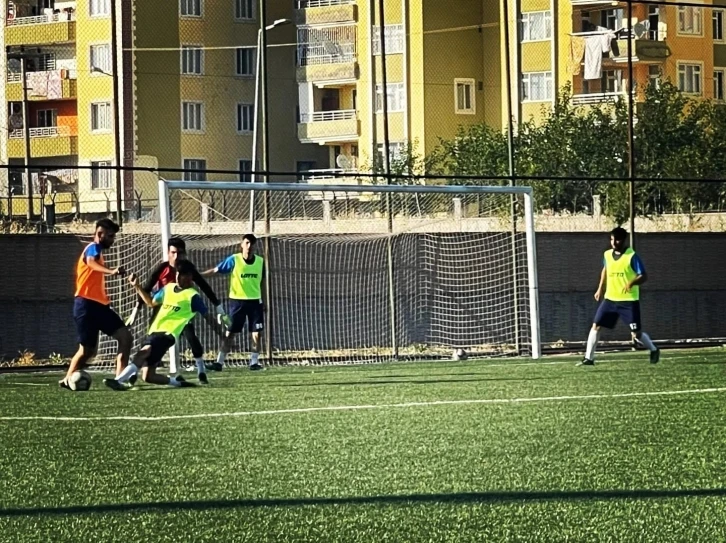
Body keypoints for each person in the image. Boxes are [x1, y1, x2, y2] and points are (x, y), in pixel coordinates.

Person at [126, 237, 226, 385]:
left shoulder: (188, 268)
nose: (176, 256)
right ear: (168, 253)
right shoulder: (162, 268)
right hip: (161, 310)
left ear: (184, 253)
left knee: (191, 336)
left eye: (179, 253)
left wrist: (218, 306)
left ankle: (201, 371)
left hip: (180, 311)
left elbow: (204, 286)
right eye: (173, 252)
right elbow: (147, 287)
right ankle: (134, 373)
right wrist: (136, 310)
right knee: (150, 340)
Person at [104, 260, 208, 390]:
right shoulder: (168, 288)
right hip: (155, 331)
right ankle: (179, 383)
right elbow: (150, 303)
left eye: (181, 274)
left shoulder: (192, 295)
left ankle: (118, 381)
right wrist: (137, 286)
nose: (177, 277)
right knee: (148, 376)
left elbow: (207, 314)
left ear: (189, 277)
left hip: (168, 333)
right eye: (177, 274)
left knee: (143, 353)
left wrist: (221, 322)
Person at [60, 218, 132, 390]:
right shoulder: (93, 248)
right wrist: (111, 271)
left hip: (100, 306)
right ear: (100, 234)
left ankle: (119, 379)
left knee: (125, 338)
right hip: (85, 305)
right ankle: (67, 379)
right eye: (110, 236)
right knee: (87, 351)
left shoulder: (98, 251)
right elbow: (91, 262)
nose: (112, 240)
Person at [579, 227, 660, 366]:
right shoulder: (607, 255)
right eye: (612, 239)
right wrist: (600, 288)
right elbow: (605, 270)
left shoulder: (631, 256)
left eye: (617, 239)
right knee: (596, 325)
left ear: (623, 240)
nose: (614, 242)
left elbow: (643, 276)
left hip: (628, 301)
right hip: (610, 299)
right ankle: (589, 358)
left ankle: (654, 349)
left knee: (636, 333)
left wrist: (631, 283)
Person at [202, 233, 265, 371]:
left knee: (256, 333)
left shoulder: (260, 262)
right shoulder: (234, 259)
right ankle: (219, 363)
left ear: (255, 246)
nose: (249, 246)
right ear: (242, 245)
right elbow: (216, 270)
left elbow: (262, 282)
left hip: (255, 302)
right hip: (237, 303)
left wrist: (263, 301)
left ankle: (254, 362)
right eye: (247, 243)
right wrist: (198, 276)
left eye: (252, 243)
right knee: (230, 333)